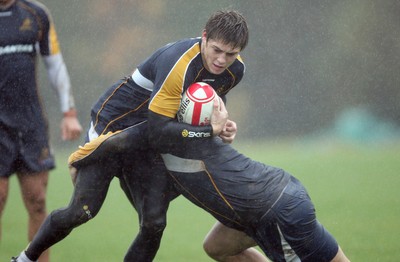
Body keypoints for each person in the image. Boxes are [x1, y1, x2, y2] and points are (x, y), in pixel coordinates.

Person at [11, 10, 258, 262]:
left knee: (154, 224)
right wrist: (209, 131)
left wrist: (222, 123)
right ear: (204, 37)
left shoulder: (234, 71)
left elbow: (209, 103)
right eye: (216, 50)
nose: (221, 60)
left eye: (231, 53)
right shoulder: (177, 64)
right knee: (81, 212)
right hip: (113, 130)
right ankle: (24, 259)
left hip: (147, 140)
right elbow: (159, 129)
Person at [148, 97, 351, 261]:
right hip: (275, 198)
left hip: (275, 209)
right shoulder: (180, 136)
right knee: (217, 246)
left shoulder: (176, 137)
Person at [0, 0, 82, 261]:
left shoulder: (36, 14)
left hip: (30, 124)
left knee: (37, 201)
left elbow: (55, 64)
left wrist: (68, 113)